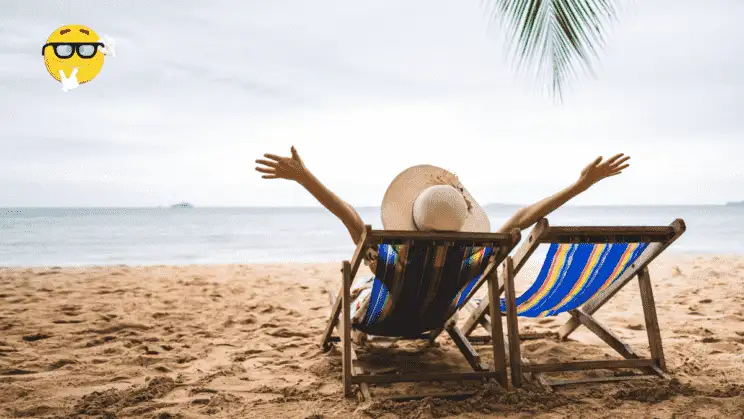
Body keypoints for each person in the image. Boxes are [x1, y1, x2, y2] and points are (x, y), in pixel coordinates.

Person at [255, 146, 630, 329]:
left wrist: (305, 178)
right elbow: (522, 217)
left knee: (346, 288)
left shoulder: (394, 259)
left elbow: (350, 217)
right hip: (433, 319)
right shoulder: (473, 258)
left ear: (413, 220)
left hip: (381, 320)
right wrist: (581, 185)